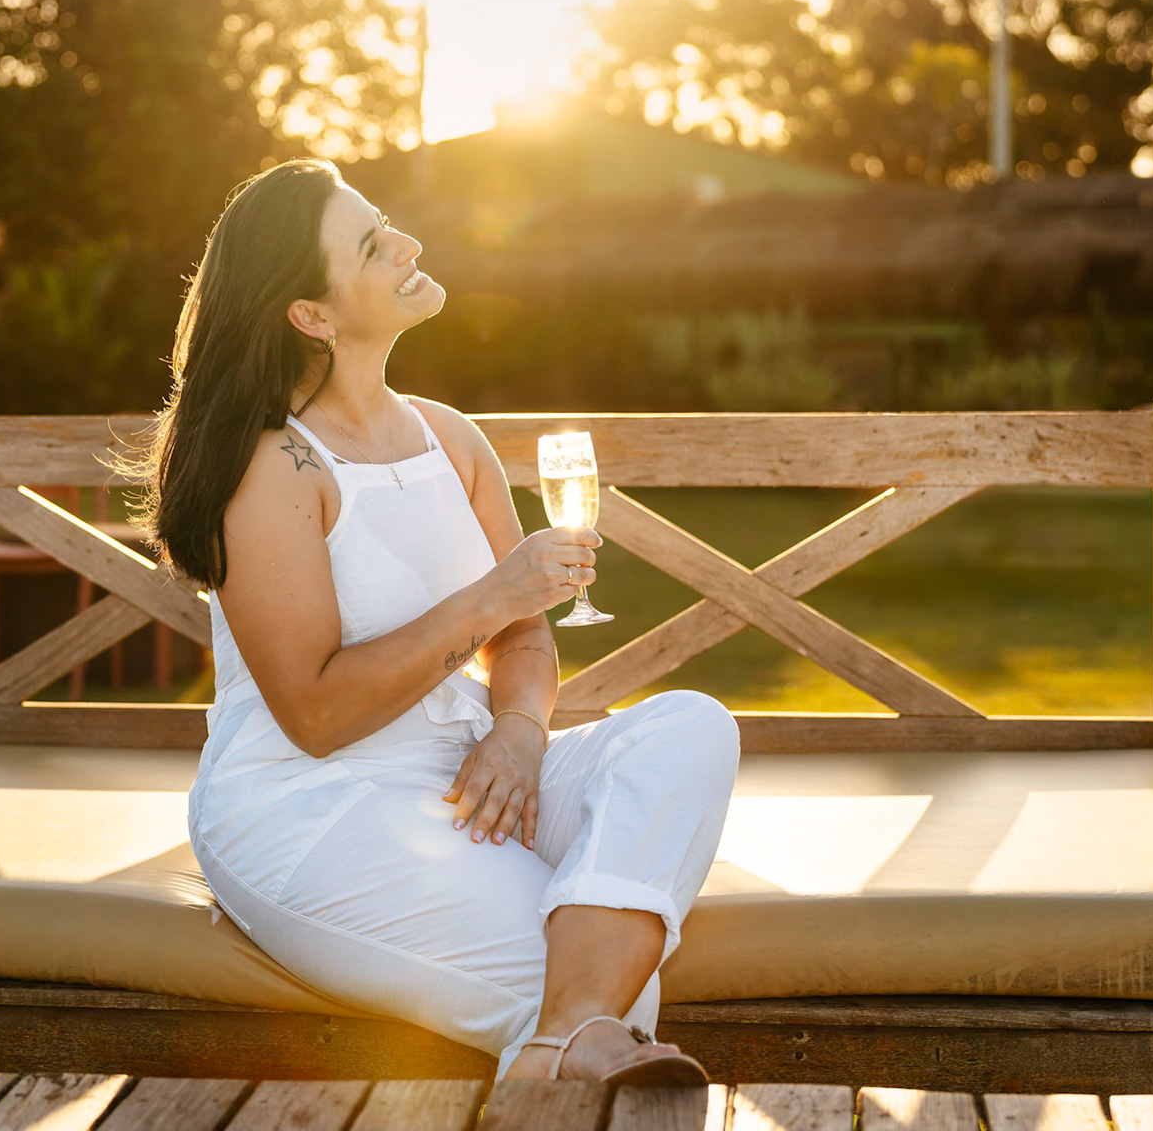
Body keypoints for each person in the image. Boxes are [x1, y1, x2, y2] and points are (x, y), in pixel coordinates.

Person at [125, 157, 740, 1084]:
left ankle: (561, 1048)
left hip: (476, 773)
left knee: (691, 727)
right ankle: (575, 1035)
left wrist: (522, 735)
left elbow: (526, 637)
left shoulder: (450, 436)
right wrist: (493, 595)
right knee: (616, 984)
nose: (408, 243)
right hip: (317, 803)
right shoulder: (274, 469)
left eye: (389, 222)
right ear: (313, 316)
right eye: (374, 244)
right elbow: (316, 713)